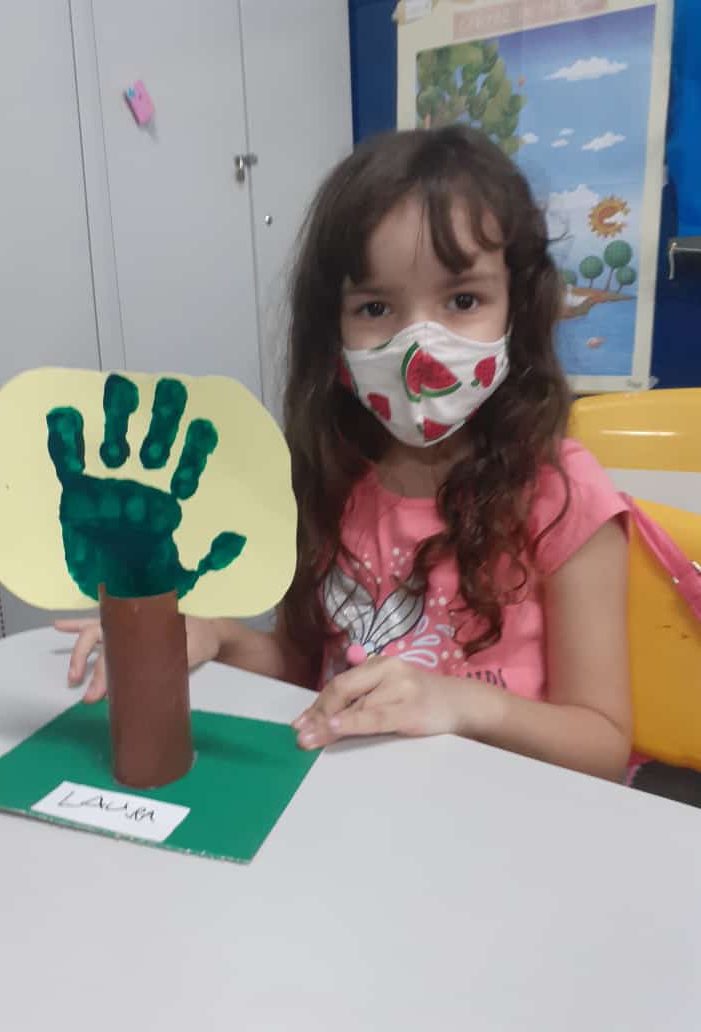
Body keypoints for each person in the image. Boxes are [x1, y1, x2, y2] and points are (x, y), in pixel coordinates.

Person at [59, 126, 631, 781]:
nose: (418, 345)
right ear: (332, 328)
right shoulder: (331, 477)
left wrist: (458, 703)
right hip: (344, 800)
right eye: (375, 307)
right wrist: (214, 637)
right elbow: (305, 669)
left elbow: (603, 744)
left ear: (517, 309)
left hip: (498, 809)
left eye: (463, 300)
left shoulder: (562, 493)